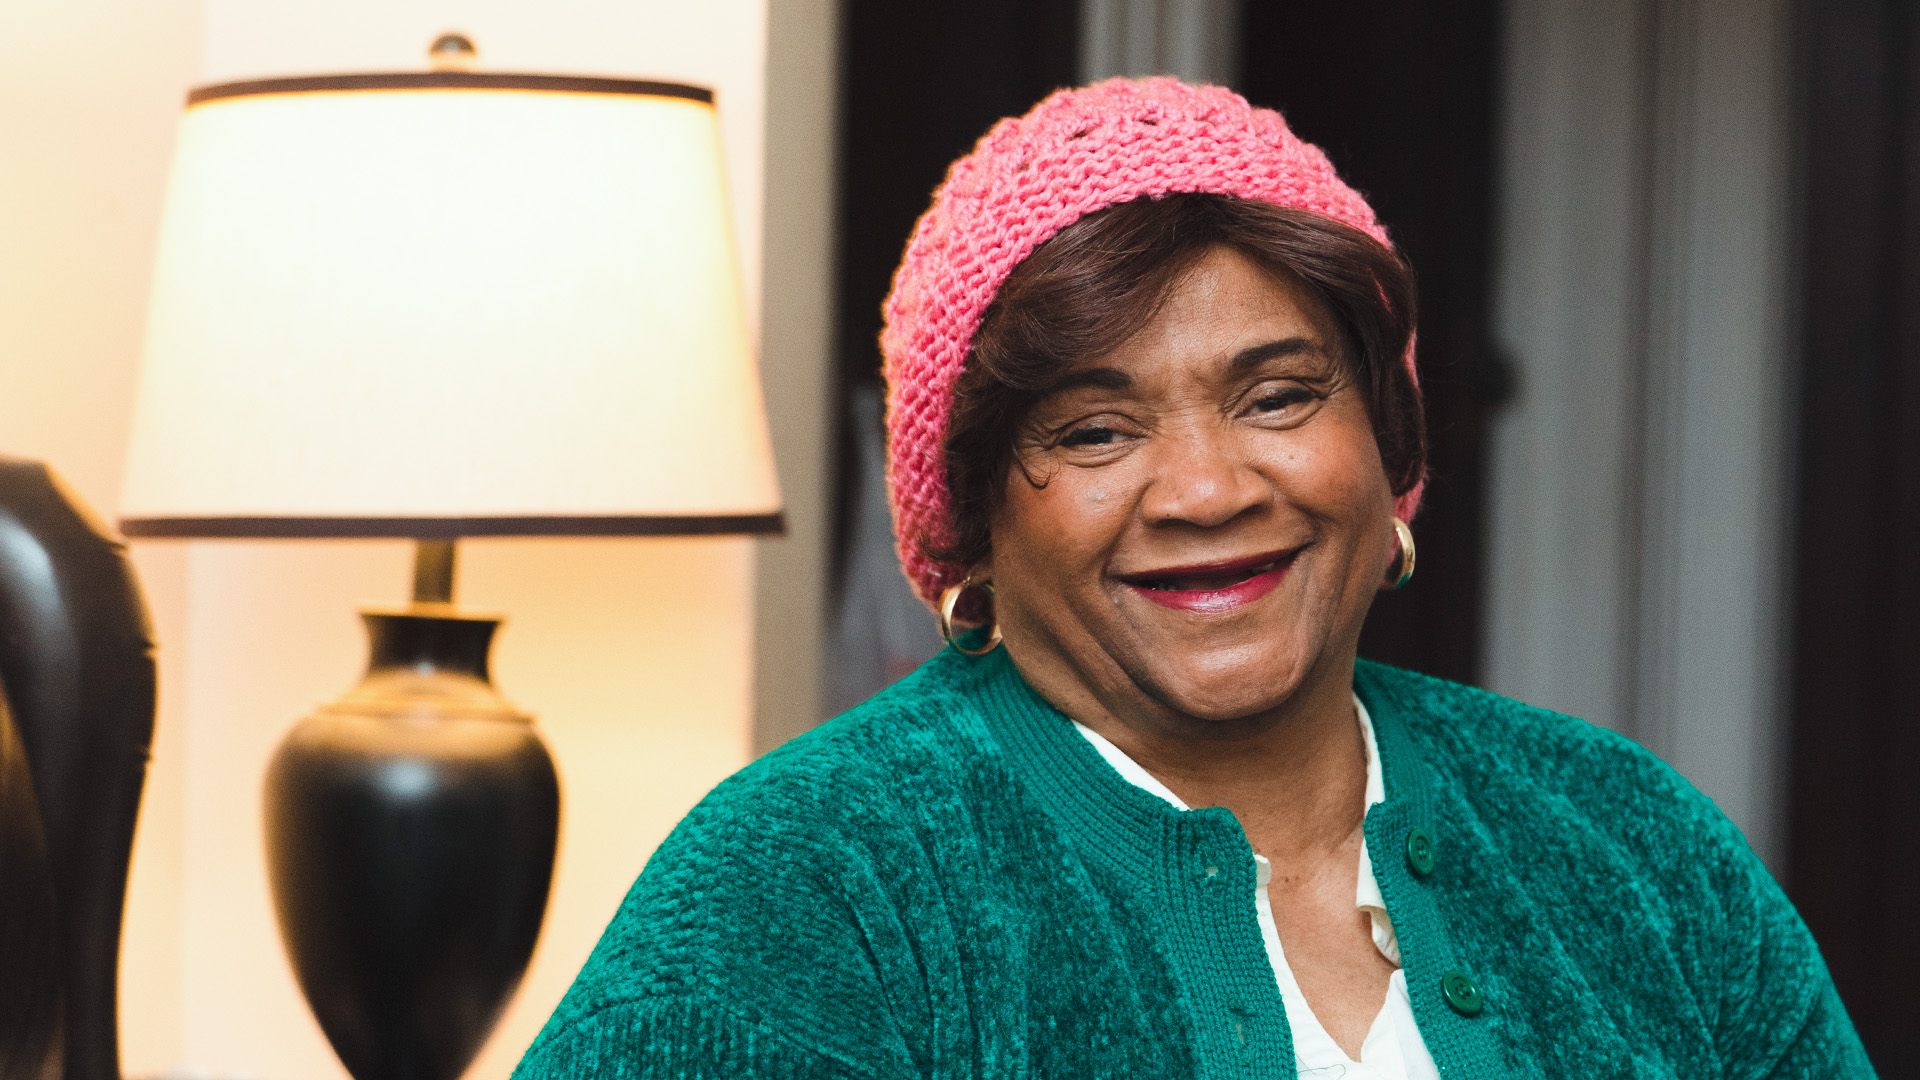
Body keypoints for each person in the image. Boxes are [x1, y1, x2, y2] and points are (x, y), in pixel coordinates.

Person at [513, 78, 1868, 1078]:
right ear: (974, 520)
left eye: (1278, 396)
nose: (1208, 491)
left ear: (1384, 447)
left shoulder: (1628, 841)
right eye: (1094, 431)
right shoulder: (812, 883)